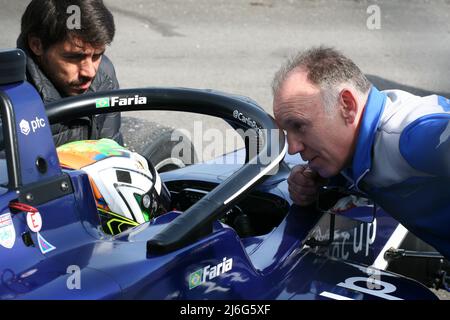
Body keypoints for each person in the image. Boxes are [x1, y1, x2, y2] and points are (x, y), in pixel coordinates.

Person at [272, 46, 450, 259]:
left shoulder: (412, 137)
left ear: (347, 106)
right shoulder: (352, 141)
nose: (293, 148)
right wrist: (315, 182)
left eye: (299, 126)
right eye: (287, 132)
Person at [17, 0, 123, 146]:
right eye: (75, 57)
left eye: (97, 55)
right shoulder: (8, 99)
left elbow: (112, 152)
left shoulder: (104, 76)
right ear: (36, 45)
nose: (90, 72)